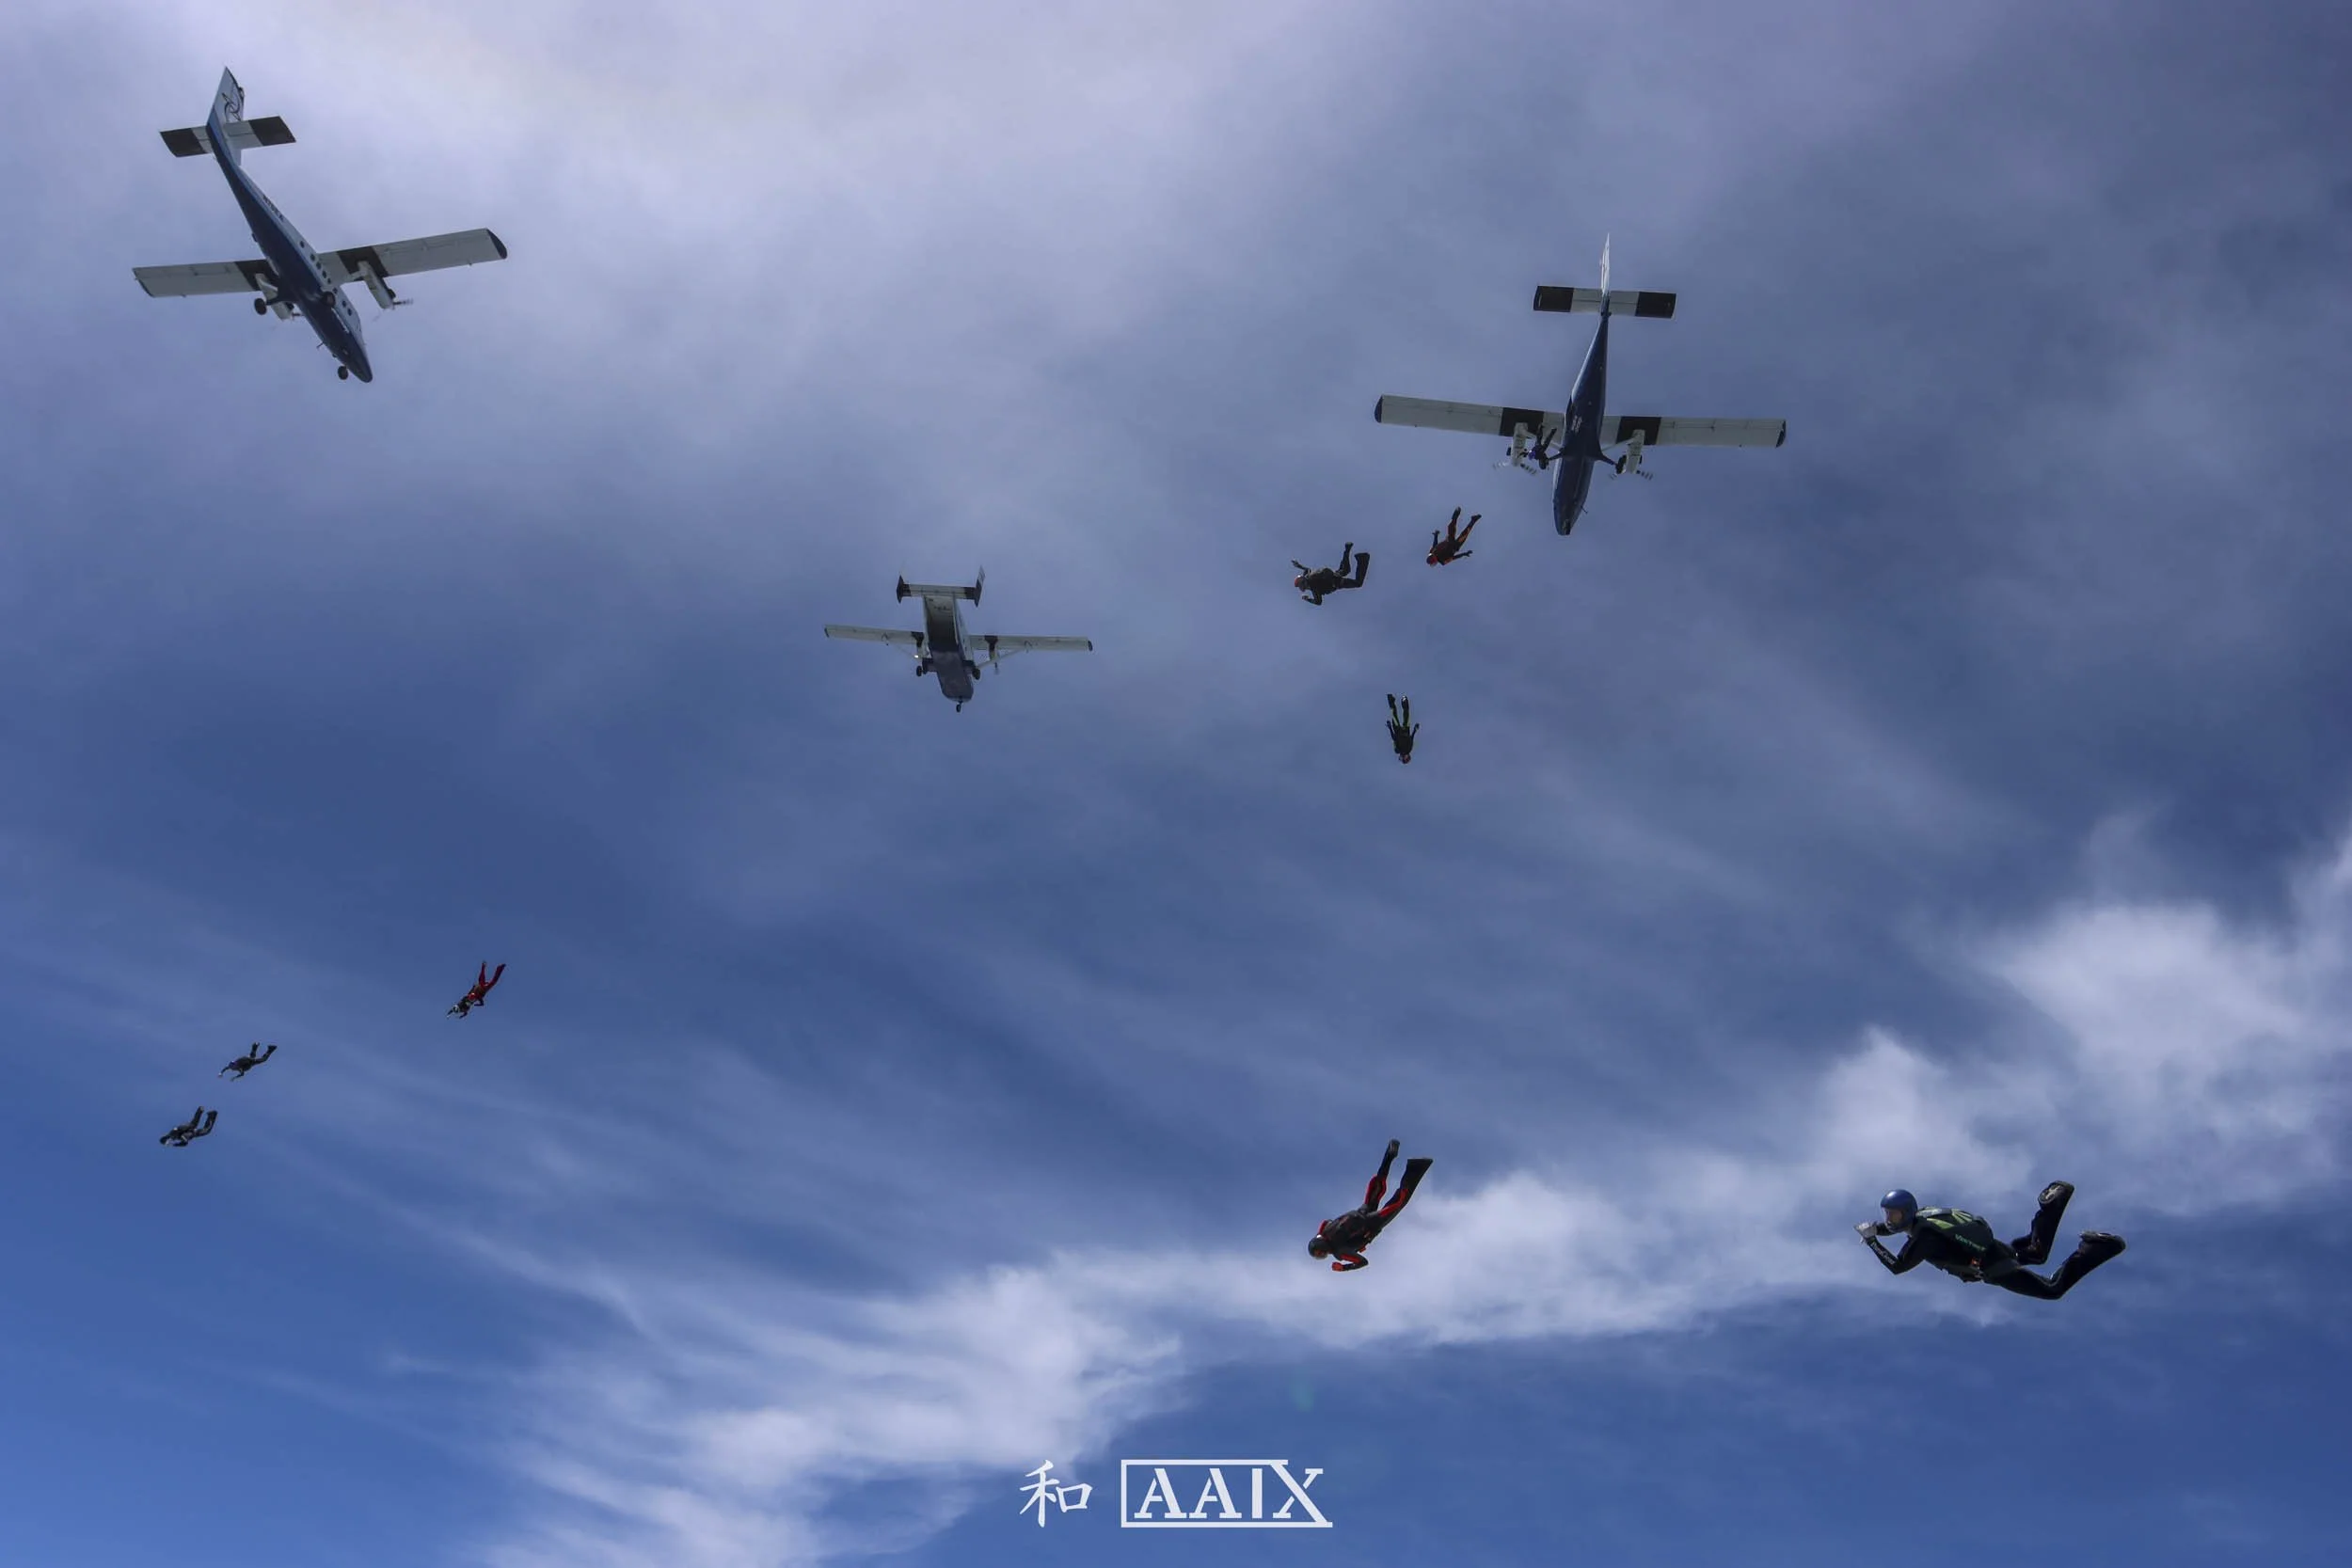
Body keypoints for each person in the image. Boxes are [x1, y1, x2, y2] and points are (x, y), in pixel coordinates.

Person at [1858, 1182, 2126, 1300]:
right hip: (1993, 1250)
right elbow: (1893, 1228)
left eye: (1894, 1214)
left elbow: (1898, 1266)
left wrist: (1872, 1242)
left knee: (2052, 1290)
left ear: (1907, 1211)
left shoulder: (1924, 1239)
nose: (1889, 1219)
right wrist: (1876, 1230)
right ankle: (2053, 1203)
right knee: (2035, 1252)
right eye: (1886, 1214)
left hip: (1994, 1267)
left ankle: (2097, 1249)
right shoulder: (1924, 1217)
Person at [1309, 1139, 1434, 1272]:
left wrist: (1344, 1268)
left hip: (1371, 1224)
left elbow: (1362, 1262)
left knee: (1398, 1202)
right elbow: (1326, 1221)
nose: (1323, 1255)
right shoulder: (1325, 1231)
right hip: (1361, 1211)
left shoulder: (1339, 1251)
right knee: (1378, 1186)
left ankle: (1416, 1167)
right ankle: (1389, 1154)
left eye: (1320, 1253)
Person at [1292, 543, 1371, 605]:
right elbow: (1308, 569)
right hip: (1334, 576)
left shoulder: (1313, 588)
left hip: (1336, 581)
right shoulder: (1308, 577)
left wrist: (1307, 599)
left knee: (1356, 581)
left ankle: (1361, 557)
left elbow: (1318, 602)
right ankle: (1350, 551)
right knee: (1346, 570)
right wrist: (1299, 566)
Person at [1386, 694, 1418, 764]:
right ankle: (1404, 701)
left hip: (1397, 731)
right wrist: (1415, 730)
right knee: (1406, 714)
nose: (1404, 757)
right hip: (1406, 730)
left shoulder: (1397, 750)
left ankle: (1391, 700)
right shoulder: (1409, 748)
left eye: (1404, 759)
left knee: (1394, 715)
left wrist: (1390, 727)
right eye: (1405, 758)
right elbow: (1412, 738)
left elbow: (1394, 739)